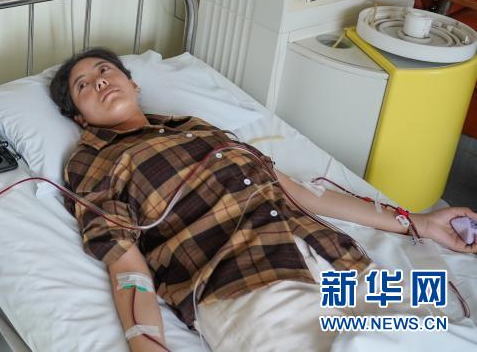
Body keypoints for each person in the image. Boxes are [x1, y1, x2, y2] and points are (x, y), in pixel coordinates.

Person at [49, 48, 477, 352]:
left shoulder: (197, 127)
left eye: (106, 69)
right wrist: (146, 344)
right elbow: (125, 265)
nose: (100, 80)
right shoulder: (95, 162)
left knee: (437, 336)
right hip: (246, 285)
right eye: (84, 85)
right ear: (80, 117)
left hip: (335, 262)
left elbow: (300, 193)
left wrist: (418, 222)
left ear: (133, 82)